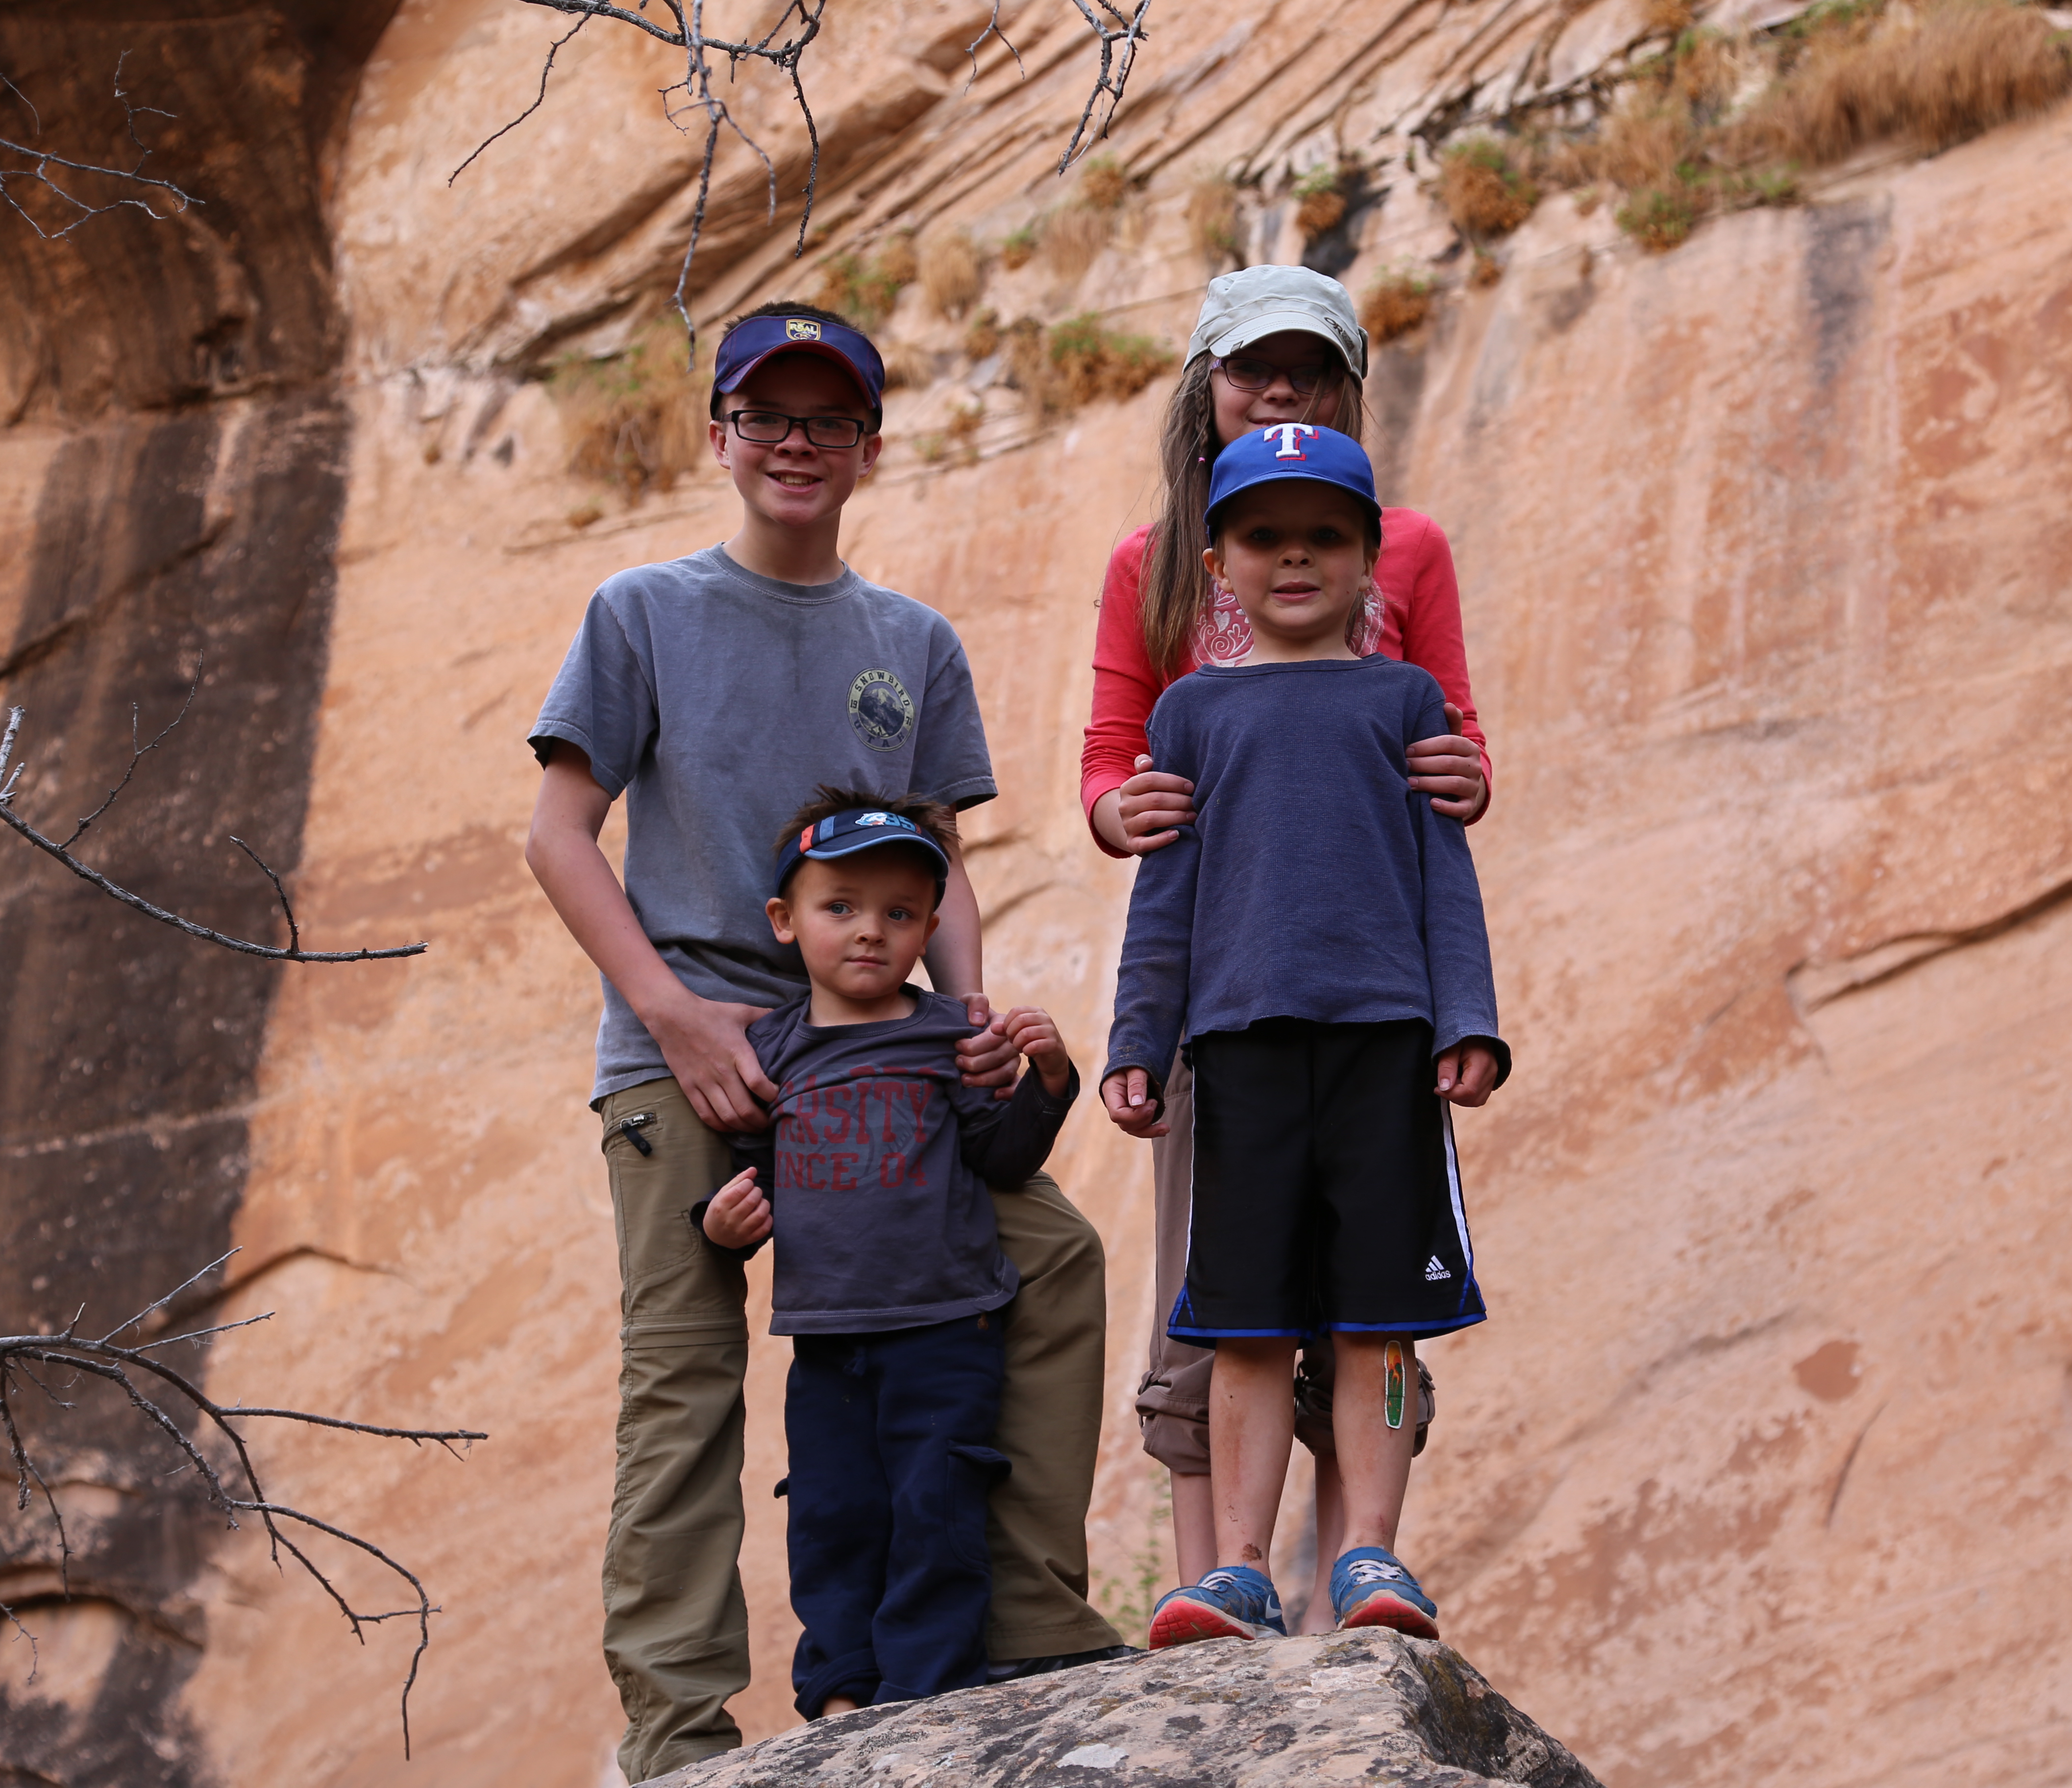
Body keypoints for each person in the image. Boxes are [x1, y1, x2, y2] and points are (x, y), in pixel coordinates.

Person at [525, 303, 1123, 1784]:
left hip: (881, 1046)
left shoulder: (907, 642)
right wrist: (668, 1010)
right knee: (685, 1364)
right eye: (768, 415)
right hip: (692, 1046)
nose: (798, 442)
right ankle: (677, 1726)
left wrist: (967, 1016)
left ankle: (1028, 1617)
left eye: (829, 419)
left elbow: (941, 863)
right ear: (719, 433)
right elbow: (557, 835)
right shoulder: (642, 612)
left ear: (869, 444)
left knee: (1046, 1257)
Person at [1080, 265, 1493, 1623]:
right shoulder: (1183, 669)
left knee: (1374, 1307)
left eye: (1309, 370)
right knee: (1236, 1306)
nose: (1296, 557)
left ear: (1368, 554)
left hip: (1377, 1028)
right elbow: (1143, 839)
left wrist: (1466, 1017)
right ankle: (1233, 1571)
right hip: (1238, 1025)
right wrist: (1140, 1035)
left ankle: (1362, 1560)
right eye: (1255, 366)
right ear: (1222, 558)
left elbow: (1449, 810)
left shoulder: (1403, 661)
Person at [692, 795, 1081, 1714]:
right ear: (785, 922)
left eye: (900, 913)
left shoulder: (951, 1036)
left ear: (931, 928)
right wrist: (714, 1226)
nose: (871, 932)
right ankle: (840, 1691)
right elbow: (750, 1171)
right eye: (842, 907)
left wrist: (1051, 1083)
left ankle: (923, 1696)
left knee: (937, 1510)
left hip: (947, 1326)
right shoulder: (771, 1051)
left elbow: (1002, 1157)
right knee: (831, 1515)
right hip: (827, 1340)